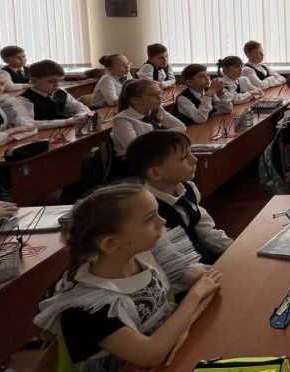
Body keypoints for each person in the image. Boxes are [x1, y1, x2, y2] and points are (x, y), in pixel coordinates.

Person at [33, 183, 222, 371]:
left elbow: (208, 284)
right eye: (149, 219)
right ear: (110, 244)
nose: (162, 221)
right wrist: (194, 296)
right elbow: (151, 354)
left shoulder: (140, 255)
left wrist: (183, 328)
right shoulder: (87, 308)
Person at [126, 131, 232, 265]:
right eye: (183, 157)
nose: (194, 160)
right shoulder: (146, 210)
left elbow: (205, 230)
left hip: (204, 259)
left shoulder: (188, 187)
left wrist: (233, 249)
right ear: (155, 173)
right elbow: (170, 259)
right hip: (183, 269)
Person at [111, 79, 185, 158]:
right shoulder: (122, 120)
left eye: (159, 93)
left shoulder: (156, 110)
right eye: (153, 95)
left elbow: (181, 127)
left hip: (156, 154)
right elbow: (135, 149)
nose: (159, 97)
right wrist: (161, 137)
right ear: (135, 100)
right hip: (134, 161)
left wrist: (156, 137)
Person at [11, 60, 91, 128]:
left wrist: (80, 115)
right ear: (33, 81)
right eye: (51, 81)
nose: (57, 85)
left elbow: (78, 106)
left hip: (65, 131)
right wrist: (65, 122)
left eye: (60, 81)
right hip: (42, 136)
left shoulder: (61, 92)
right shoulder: (24, 100)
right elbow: (27, 123)